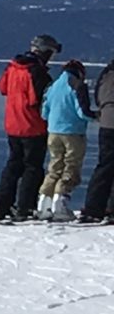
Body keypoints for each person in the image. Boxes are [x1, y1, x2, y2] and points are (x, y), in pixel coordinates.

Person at [0, 34, 57, 222]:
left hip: (13, 124)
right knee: (32, 168)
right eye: (51, 53)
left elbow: (2, 88)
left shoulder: (12, 67)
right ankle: (25, 207)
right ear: (44, 52)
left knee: (13, 165)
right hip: (32, 126)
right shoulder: (37, 72)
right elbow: (41, 100)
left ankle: (2, 205)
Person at [40, 58, 94, 221]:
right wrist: (96, 116)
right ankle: (60, 203)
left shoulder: (53, 86)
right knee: (71, 167)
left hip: (53, 132)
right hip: (73, 132)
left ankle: (44, 203)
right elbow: (82, 112)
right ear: (80, 73)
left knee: (54, 166)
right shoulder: (77, 86)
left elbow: (44, 113)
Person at [85, 55, 114, 225]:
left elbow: (97, 97)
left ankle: (93, 208)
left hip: (106, 123)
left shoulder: (105, 74)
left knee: (104, 166)